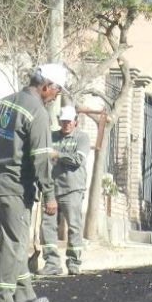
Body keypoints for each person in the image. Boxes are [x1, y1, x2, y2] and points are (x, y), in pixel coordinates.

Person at [0, 63, 66, 302]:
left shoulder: (3, 103)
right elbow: (40, 159)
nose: (56, 95)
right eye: (57, 90)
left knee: (18, 240)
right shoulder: (37, 112)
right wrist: (49, 194)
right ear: (46, 86)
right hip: (14, 184)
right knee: (15, 242)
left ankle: (24, 294)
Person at [38, 106, 90, 276]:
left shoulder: (82, 138)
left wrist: (57, 155)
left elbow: (77, 160)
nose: (66, 124)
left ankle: (74, 262)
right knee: (47, 225)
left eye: (69, 121)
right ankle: (52, 262)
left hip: (73, 189)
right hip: (51, 189)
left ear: (75, 121)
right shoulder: (51, 137)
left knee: (74, 226)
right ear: (60, 121)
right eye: (63, 121)